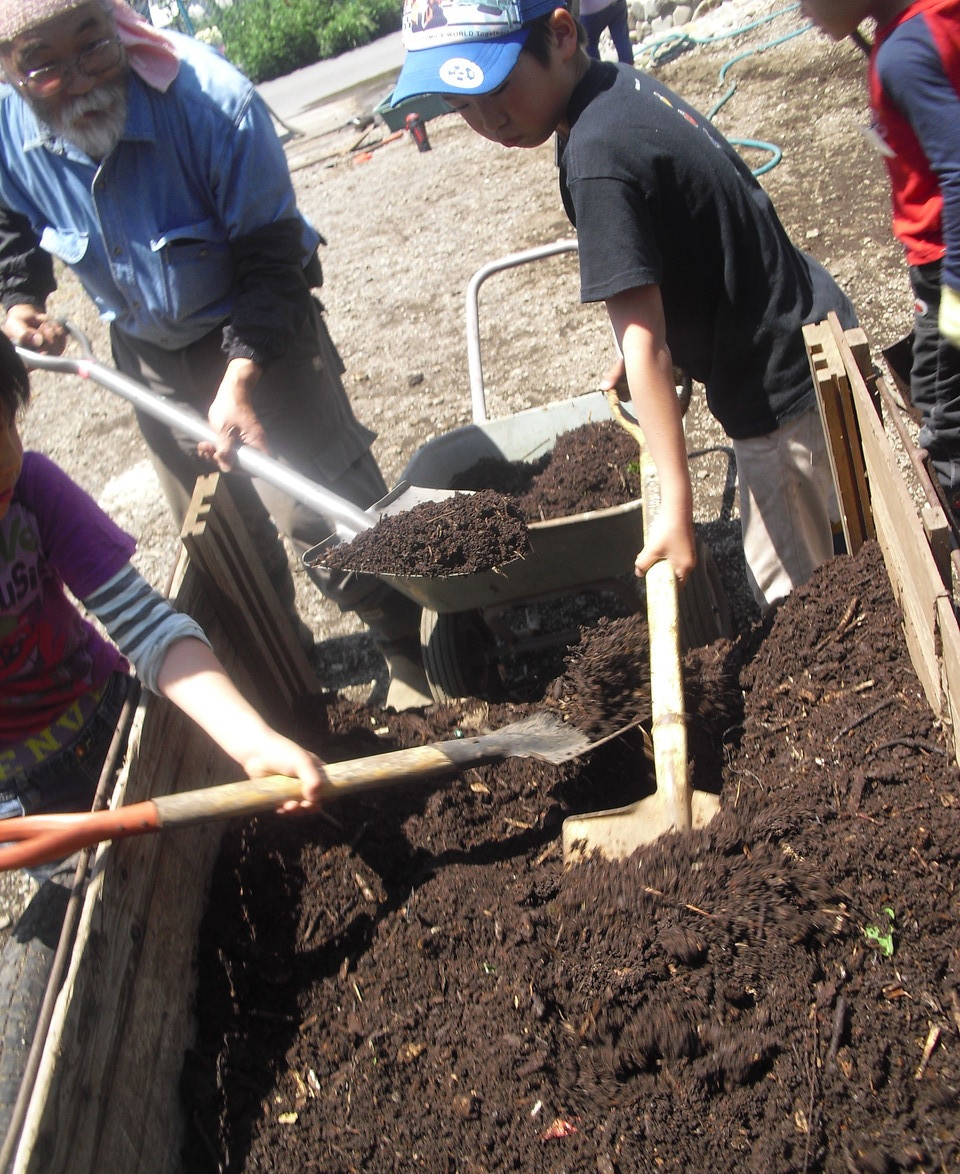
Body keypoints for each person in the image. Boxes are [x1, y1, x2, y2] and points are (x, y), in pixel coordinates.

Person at [0, 0, 432, 709]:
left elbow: (272, 260)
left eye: (93, 47)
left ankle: (410, 646)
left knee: (316, 509)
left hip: (261, 324)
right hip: (148, 349)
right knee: (219, 531)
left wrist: (239, 379)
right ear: (10, 70)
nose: (78, 78)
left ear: (118, 24)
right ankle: (294, 677)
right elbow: (9, 219)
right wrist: (21, 298)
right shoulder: (5, 129)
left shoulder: (214, 104)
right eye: (44, 65)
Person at [391, 0, 859, 610]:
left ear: (561, 35)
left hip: (774, 389)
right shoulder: (617, 88)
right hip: (805, 322)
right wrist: (669, 354)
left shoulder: (595, 156)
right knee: (845, 534)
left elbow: (645, 342)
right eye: (460, 107)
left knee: (799, 600)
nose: (488, 120)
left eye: (497, 87)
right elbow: (695, 242)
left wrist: (674, 508)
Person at [0, 330, 324, 830]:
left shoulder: (31, 490)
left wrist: (252, 741)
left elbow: (146, 626)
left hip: (111, 716)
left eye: (9, 425)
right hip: (26, 803)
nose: (7, 458)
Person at [801, 0, 960, 520]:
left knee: (946, 420)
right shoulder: (920, 25)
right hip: (938, 268)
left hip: (946, 273)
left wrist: (954, 303)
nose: (802, 12)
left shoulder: (902, 57)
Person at [578, 0, 635, 64]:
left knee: (590, 46)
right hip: (617, 3)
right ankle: (630, 71)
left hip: (591, 11)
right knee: (622, 39)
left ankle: (597, 73)